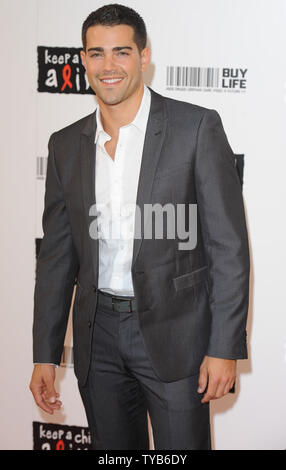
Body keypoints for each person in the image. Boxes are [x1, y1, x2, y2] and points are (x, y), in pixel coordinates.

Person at [30, 4, 250, 450]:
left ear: (144, 56)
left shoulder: (195, 128)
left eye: (121, 52)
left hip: (177, 335)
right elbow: (56, 260)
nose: (108, 66)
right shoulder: (64, 145)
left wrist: (224, 347)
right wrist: (45, 355)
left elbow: (228, 247)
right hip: (98, 339)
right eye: (96, 54)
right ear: (83, 60)